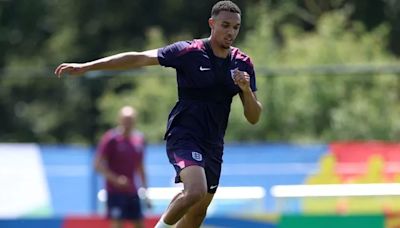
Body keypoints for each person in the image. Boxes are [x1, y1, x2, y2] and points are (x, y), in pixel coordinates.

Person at [55, 1, 262, 227]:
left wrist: (246, 90)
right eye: (225, 25)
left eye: (236, 27)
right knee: (195, 191)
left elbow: (253, 117)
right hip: (184, 134)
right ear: (212, 24)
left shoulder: (243, 63)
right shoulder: (188, 52)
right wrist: (87, 66)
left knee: (197, 213)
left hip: (213, 142)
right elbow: (139, 58)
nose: (231, 32)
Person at [94, 105, 151, 228]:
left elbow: (140, 167)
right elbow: (97, 165)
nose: (128, 123)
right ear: (119, 120)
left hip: (132, 191)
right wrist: (116, 179)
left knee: (139, 224)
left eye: (130, 120)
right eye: (125, 119)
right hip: (115, 192)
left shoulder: (139, 140)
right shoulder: (111, 139)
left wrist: (146, 191)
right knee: (117, 225)